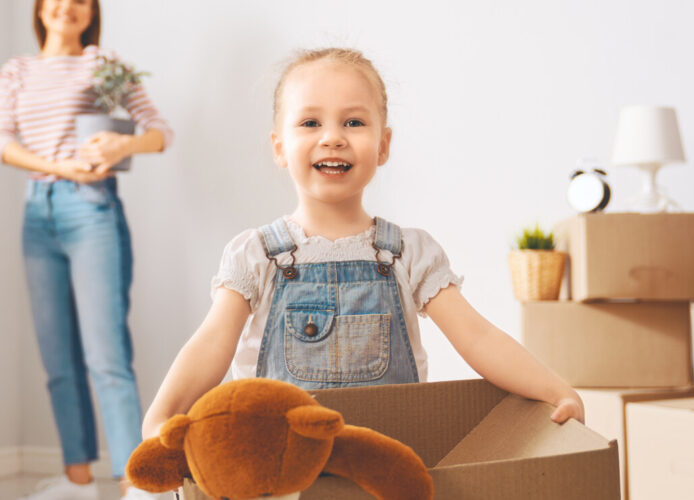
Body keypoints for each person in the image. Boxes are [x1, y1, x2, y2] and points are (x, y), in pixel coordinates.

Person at [141, 47, 584, 459]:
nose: (333, 138)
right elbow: (213, 342)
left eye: (353, 122)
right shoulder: (255, 254)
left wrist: (555, 389)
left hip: (386, 464)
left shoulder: (410, 252)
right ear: (279, 147)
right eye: (310, 123)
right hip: (279, 466)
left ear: (383, 145)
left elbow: (478, 337)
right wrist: (162, 415)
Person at [0, 0, 173, 498]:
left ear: (91, 11)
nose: (66, 7)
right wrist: (61, 167)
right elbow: (0, 142)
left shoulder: (103, 64)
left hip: (91, 208)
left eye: (79, 0)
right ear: (39, 7)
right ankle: (77, 482)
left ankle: (135, 483)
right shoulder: (17, 70)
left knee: (105, 353)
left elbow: (159, 132)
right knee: (57, 357)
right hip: (37, 213)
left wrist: (121, 146)